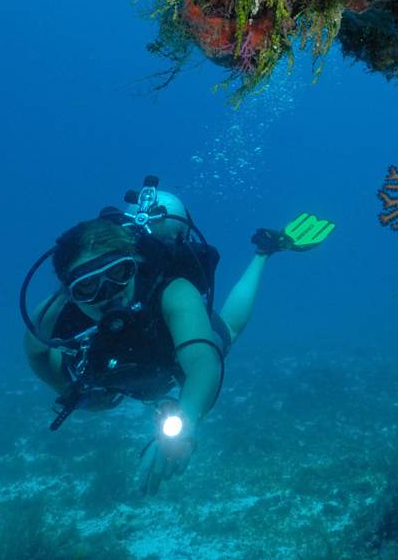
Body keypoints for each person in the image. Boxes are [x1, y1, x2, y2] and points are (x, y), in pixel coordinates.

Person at [20, 176, 334, 494]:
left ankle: (264, 252)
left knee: (225, 336)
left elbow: (202, 365)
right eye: (87, 286)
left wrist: (185, 425)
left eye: (118, 273)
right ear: (69, 292)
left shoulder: (174, 292)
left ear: (136, 263)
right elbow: (36, 352)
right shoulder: (55, 315)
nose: (108, 294)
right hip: (114, 377)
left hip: (168, 345)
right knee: (87, 384)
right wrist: (72, 389)